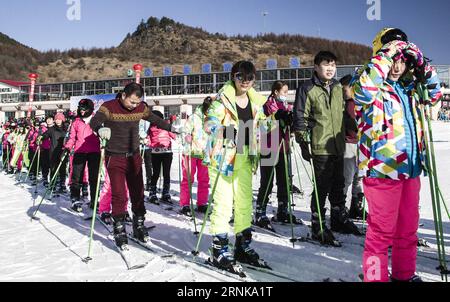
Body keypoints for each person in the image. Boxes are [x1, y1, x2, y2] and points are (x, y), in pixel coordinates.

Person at [352, 28, 443, 282]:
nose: (397, 65)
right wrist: (386, 53)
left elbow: (436, 96)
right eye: (393, 57)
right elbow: (362, 93)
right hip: (382, 170)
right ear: (380, 54)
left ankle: (405, 275)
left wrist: (423, 65)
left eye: (402, 59)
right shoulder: (366, 82)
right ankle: (374, 278)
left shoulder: (411, 89)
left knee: (407, 232)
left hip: (411, 170)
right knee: (379, 235)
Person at [89, 82, 177, 249]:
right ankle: (120, 227)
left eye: (138, 102)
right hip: (114, 156)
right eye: (132, 102)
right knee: (119, 194)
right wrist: (100, 128)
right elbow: (94, 121)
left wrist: (173, 128)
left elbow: (155, 119)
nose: (135, 106)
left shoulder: (140, 108)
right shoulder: (109, 107)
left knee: (138, 191)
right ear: (123, 96)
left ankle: (138, 224)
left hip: (134, 156)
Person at [204, 60, 270, 271]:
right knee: (223, 204)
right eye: (241, 76)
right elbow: (210, 123)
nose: (245, 81)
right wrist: (224, 130)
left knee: (244, 203)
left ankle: (242, 245)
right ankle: (219, 249)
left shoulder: (257, 102)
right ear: (233, 76)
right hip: (223, 158)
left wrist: (277, 123)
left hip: (245, 156)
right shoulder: (222, 100)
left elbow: (262, 126)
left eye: (250, 77)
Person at [293, 51, 362, 246]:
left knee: (338, 185)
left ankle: (338, 219)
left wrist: (354, 125)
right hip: (320, 145)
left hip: (338, 144)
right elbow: (300, 118)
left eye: (333, 65)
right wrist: (303, 142)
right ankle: (318, 225)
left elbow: (343, 114)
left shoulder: (339, 87)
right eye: (326, 64)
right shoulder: (307, 88)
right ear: (316, 67)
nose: (330, 68)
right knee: (322, 187)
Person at [254, 80, 300, 231]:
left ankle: (283, 209)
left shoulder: (286, 105)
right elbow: (266, 120)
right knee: (267, 180)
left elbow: (288, 122)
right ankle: (260, 211)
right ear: (275, 92)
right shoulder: (268, 104)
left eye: (287, 92)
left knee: (284, 179)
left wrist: (291, 122)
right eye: (284, 92)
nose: (285, 95)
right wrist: (280, 116)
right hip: (269, 145)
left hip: (283, 146)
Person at [64, 99, 100, 212]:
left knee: (94, 177)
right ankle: (75, 198)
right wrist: (68, 147)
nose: (82, 111)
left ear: (90, 109)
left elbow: (103, 133)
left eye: (85, 109)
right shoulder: (76, 122)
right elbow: (72, 137)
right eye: (81, 108)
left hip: (94, 151)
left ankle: (94, 199)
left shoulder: (96, 120)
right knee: (76, 176)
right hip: (79, 151)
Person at [339, 74, 367, 220]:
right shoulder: (343, 104)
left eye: (346, 90)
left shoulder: (359, 102)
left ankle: (356, 206)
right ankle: (340, 206)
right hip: (348, 143)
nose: (345, 93)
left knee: (359, 176)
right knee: (347, 177)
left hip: (360, 143)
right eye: (343, 91)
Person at [179, 96, 212, 216]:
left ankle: (202, 203)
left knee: (204, 180)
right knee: (188, 178)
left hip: (205, 153)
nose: (211, 112)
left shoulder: (213, 119)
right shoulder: (194, 117)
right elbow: (184, 131)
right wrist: (186, 136)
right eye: (209, 109)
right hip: (191, 152)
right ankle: (185, 204)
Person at [146, 110, 177, 204]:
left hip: (167, 152)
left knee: (166, 173)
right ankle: (152, 192)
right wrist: (150, 144)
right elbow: (148, 139)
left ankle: (166, 192)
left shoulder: (166, 126)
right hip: (156, 153)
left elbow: (173, 135)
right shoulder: (151, 128)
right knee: (156, 173)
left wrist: (176, 132)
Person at [39, 113, 69, 194]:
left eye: (59, 119)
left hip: (63, 152)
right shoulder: (52, 129)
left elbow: (70, 138)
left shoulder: (66, 129)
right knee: (53, 169)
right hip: (53, 152)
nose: (58, 121)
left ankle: (62, 184)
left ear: (62, 120)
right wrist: (41, 137)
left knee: (63, 169)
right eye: (56, 119)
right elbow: (46, 135)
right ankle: (53, 184)